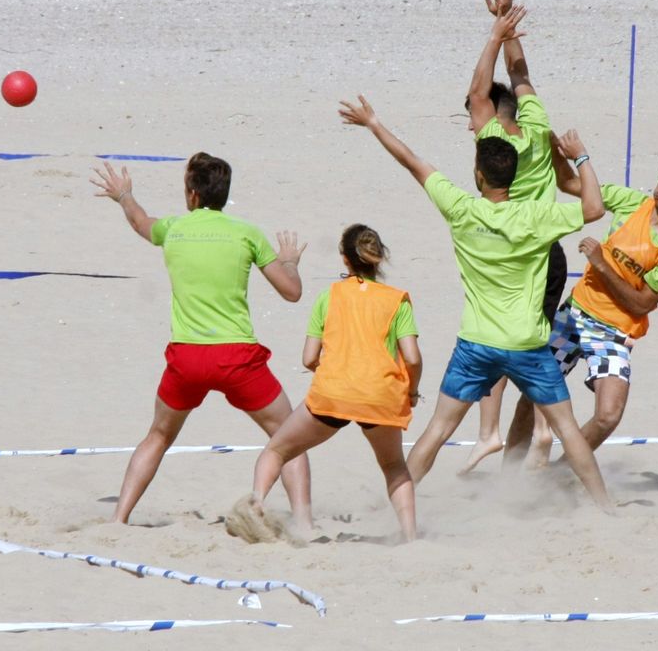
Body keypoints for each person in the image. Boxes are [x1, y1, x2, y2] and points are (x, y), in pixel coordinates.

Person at [337, 91, 616, 512]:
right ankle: (606, 510)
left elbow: (411, 161)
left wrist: (374, 123)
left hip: (477, 344)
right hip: (526, 344)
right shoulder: (535, 216)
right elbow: (594, 208)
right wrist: (580, 157)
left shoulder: (462, 209)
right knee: (568, 430)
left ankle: (395, 506)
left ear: (479, 175)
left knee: (437, 431)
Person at [94, 153, 312, 530]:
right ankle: (306, 524)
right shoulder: (247, 233)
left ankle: (118, 518)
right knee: (287, 436)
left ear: (192, 195)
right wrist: (289, 260)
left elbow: (139, 222)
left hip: (188, 357)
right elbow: (292, 292)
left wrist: (124, 195)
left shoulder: (174, 229)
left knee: (159, 435)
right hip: (238, 357)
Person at [229, 224, 423, 544]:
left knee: (277, 449)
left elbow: (308, 358)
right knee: (393, 466)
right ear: (378, 258)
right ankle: (411, 537)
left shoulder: (329, 296)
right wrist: (412, 391)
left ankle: (257, 505)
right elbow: (413, 358)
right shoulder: (396, 300)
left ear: (345, 260)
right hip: (380, 394)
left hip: (334, 393)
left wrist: (338, 368)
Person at [460, 0, 569, 474]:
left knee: (500, 338)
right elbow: (519, 74)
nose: (470, 122)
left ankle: (504, 432)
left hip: (515, 250)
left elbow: (479, 91)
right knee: (533, 341)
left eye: (471, 117)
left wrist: (493, 34)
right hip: (552, 252)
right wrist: (508, 27)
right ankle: (532, 429)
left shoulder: (495, 140)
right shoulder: (539, 121)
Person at [541, 146, 658, 455]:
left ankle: (560, 474)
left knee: (608, 415)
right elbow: (570, 185)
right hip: (575, 315)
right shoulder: (632, 202)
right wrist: (560, 147)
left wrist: (602, 264)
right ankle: (513, 468)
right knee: (534, 396)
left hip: (613, 333)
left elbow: (642, 304)